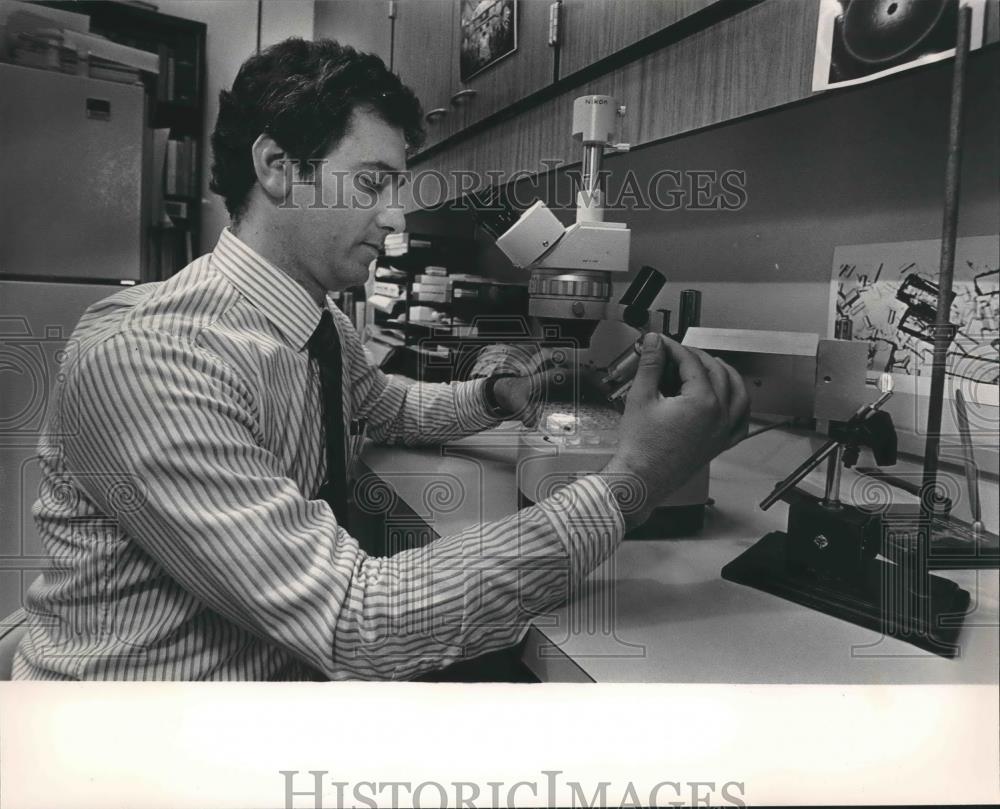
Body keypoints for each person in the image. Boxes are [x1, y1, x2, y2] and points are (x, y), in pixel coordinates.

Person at [14, 38, 748, 681]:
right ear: (277, 166)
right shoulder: (153, 358)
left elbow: (385, 405)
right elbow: (354, 620)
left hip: (270, 682)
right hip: (130, 738)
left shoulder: (316, 323)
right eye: (372, 183)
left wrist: (498, 393)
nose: (395, 214)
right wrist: (633, 482)